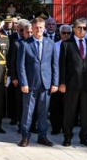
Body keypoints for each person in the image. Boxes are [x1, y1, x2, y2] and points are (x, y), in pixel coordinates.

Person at [16, 17, 59, 147]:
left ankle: (42, 136)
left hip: (46, 83)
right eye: (36, 28)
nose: (38, 30)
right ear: (32, 29)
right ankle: (25, 136)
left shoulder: (50, 43)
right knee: (28, 111)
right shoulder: (25, 43)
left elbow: (55, 64)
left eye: (41, 27)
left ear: (44, 28)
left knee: (43, 112)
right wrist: (23, 83)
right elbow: (21, 65)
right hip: (30, 84)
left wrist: (55, 83)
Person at [57, 18, 87, 147]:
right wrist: (62, 83)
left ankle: (84, 136)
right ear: (74, 28)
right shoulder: (66, 44)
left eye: (85, 28)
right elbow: (62, 65)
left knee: (86, 113)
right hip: (71, 83)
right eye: (79, 28)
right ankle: (67, 136)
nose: (82, 30)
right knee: (69, 112)